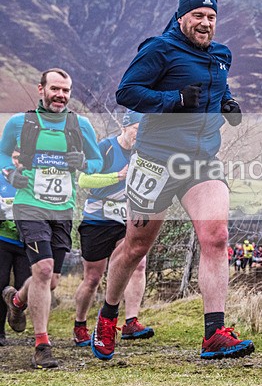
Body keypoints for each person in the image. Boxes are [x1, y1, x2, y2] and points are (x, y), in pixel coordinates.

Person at [91, 0, 253, 361]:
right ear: (182, 17)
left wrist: (227, 102)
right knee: (135, 247)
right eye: (198, 16)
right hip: (156, 161)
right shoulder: (159, 50)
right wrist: (174, 101)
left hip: (201, 161)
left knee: (216, 236)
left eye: (211, 18)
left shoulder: (221, 55)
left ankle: (214, 333)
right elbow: (127, 92)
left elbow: (217, 86)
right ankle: (109, 314)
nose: (205, 23)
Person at [0, 68, 103, 368]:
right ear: (41, 89)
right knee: (43, 270)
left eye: (66, 91)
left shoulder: (80, 126)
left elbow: (96, 162)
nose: (60, 95)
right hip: (29, 205)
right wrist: (10, 172)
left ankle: (16, 301)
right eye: (55, 89)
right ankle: (42, 346)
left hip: (62, 209)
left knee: (52, 280)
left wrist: (84, 161)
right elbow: (3, 154)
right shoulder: (20, 122)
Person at [72, 111, 154, 347]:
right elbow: (84, 181)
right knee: (93, 278)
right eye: (137, 129)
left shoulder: (144, 153)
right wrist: (118, 176)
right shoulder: (105, 147)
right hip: (97, 218)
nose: (140, 134)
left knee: (137, 263)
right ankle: (80, 324)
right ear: (125, 127)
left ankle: (131, 321)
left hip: (126, 218)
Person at [0, 151, 31, 347]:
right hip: (3, 238)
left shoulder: (32, 177)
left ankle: (16, 310)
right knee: (1, 282)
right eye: (14, 157)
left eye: (22, 156)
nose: (17, 161)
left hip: (26, 241)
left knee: (24, 286)